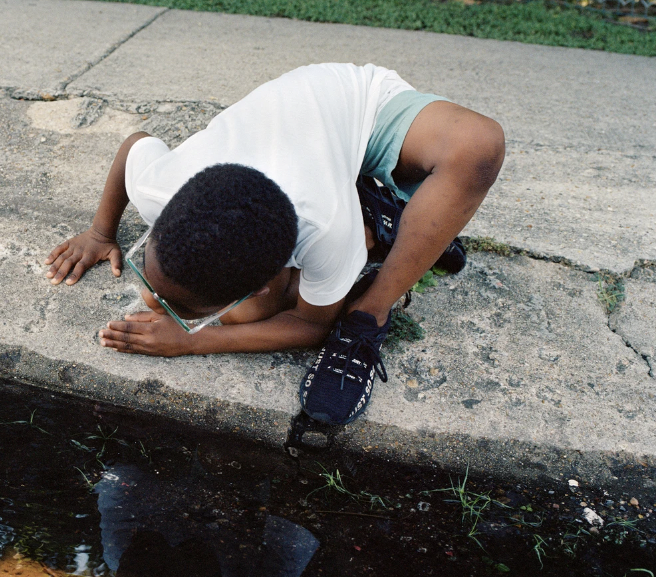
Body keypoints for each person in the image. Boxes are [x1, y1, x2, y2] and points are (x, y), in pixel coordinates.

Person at [44, 61, 504, 426]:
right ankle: (387, 216)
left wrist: (192, 342)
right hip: (301, 157)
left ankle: (372, 306)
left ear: (267, 279)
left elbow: (310, 326)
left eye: (195, 313)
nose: (150, 298)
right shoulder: (158, 188)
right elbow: (135, 143)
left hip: (354, 108)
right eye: (150, 275)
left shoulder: (326, 229)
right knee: (256, 311)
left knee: (479, 143)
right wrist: (100, 232)